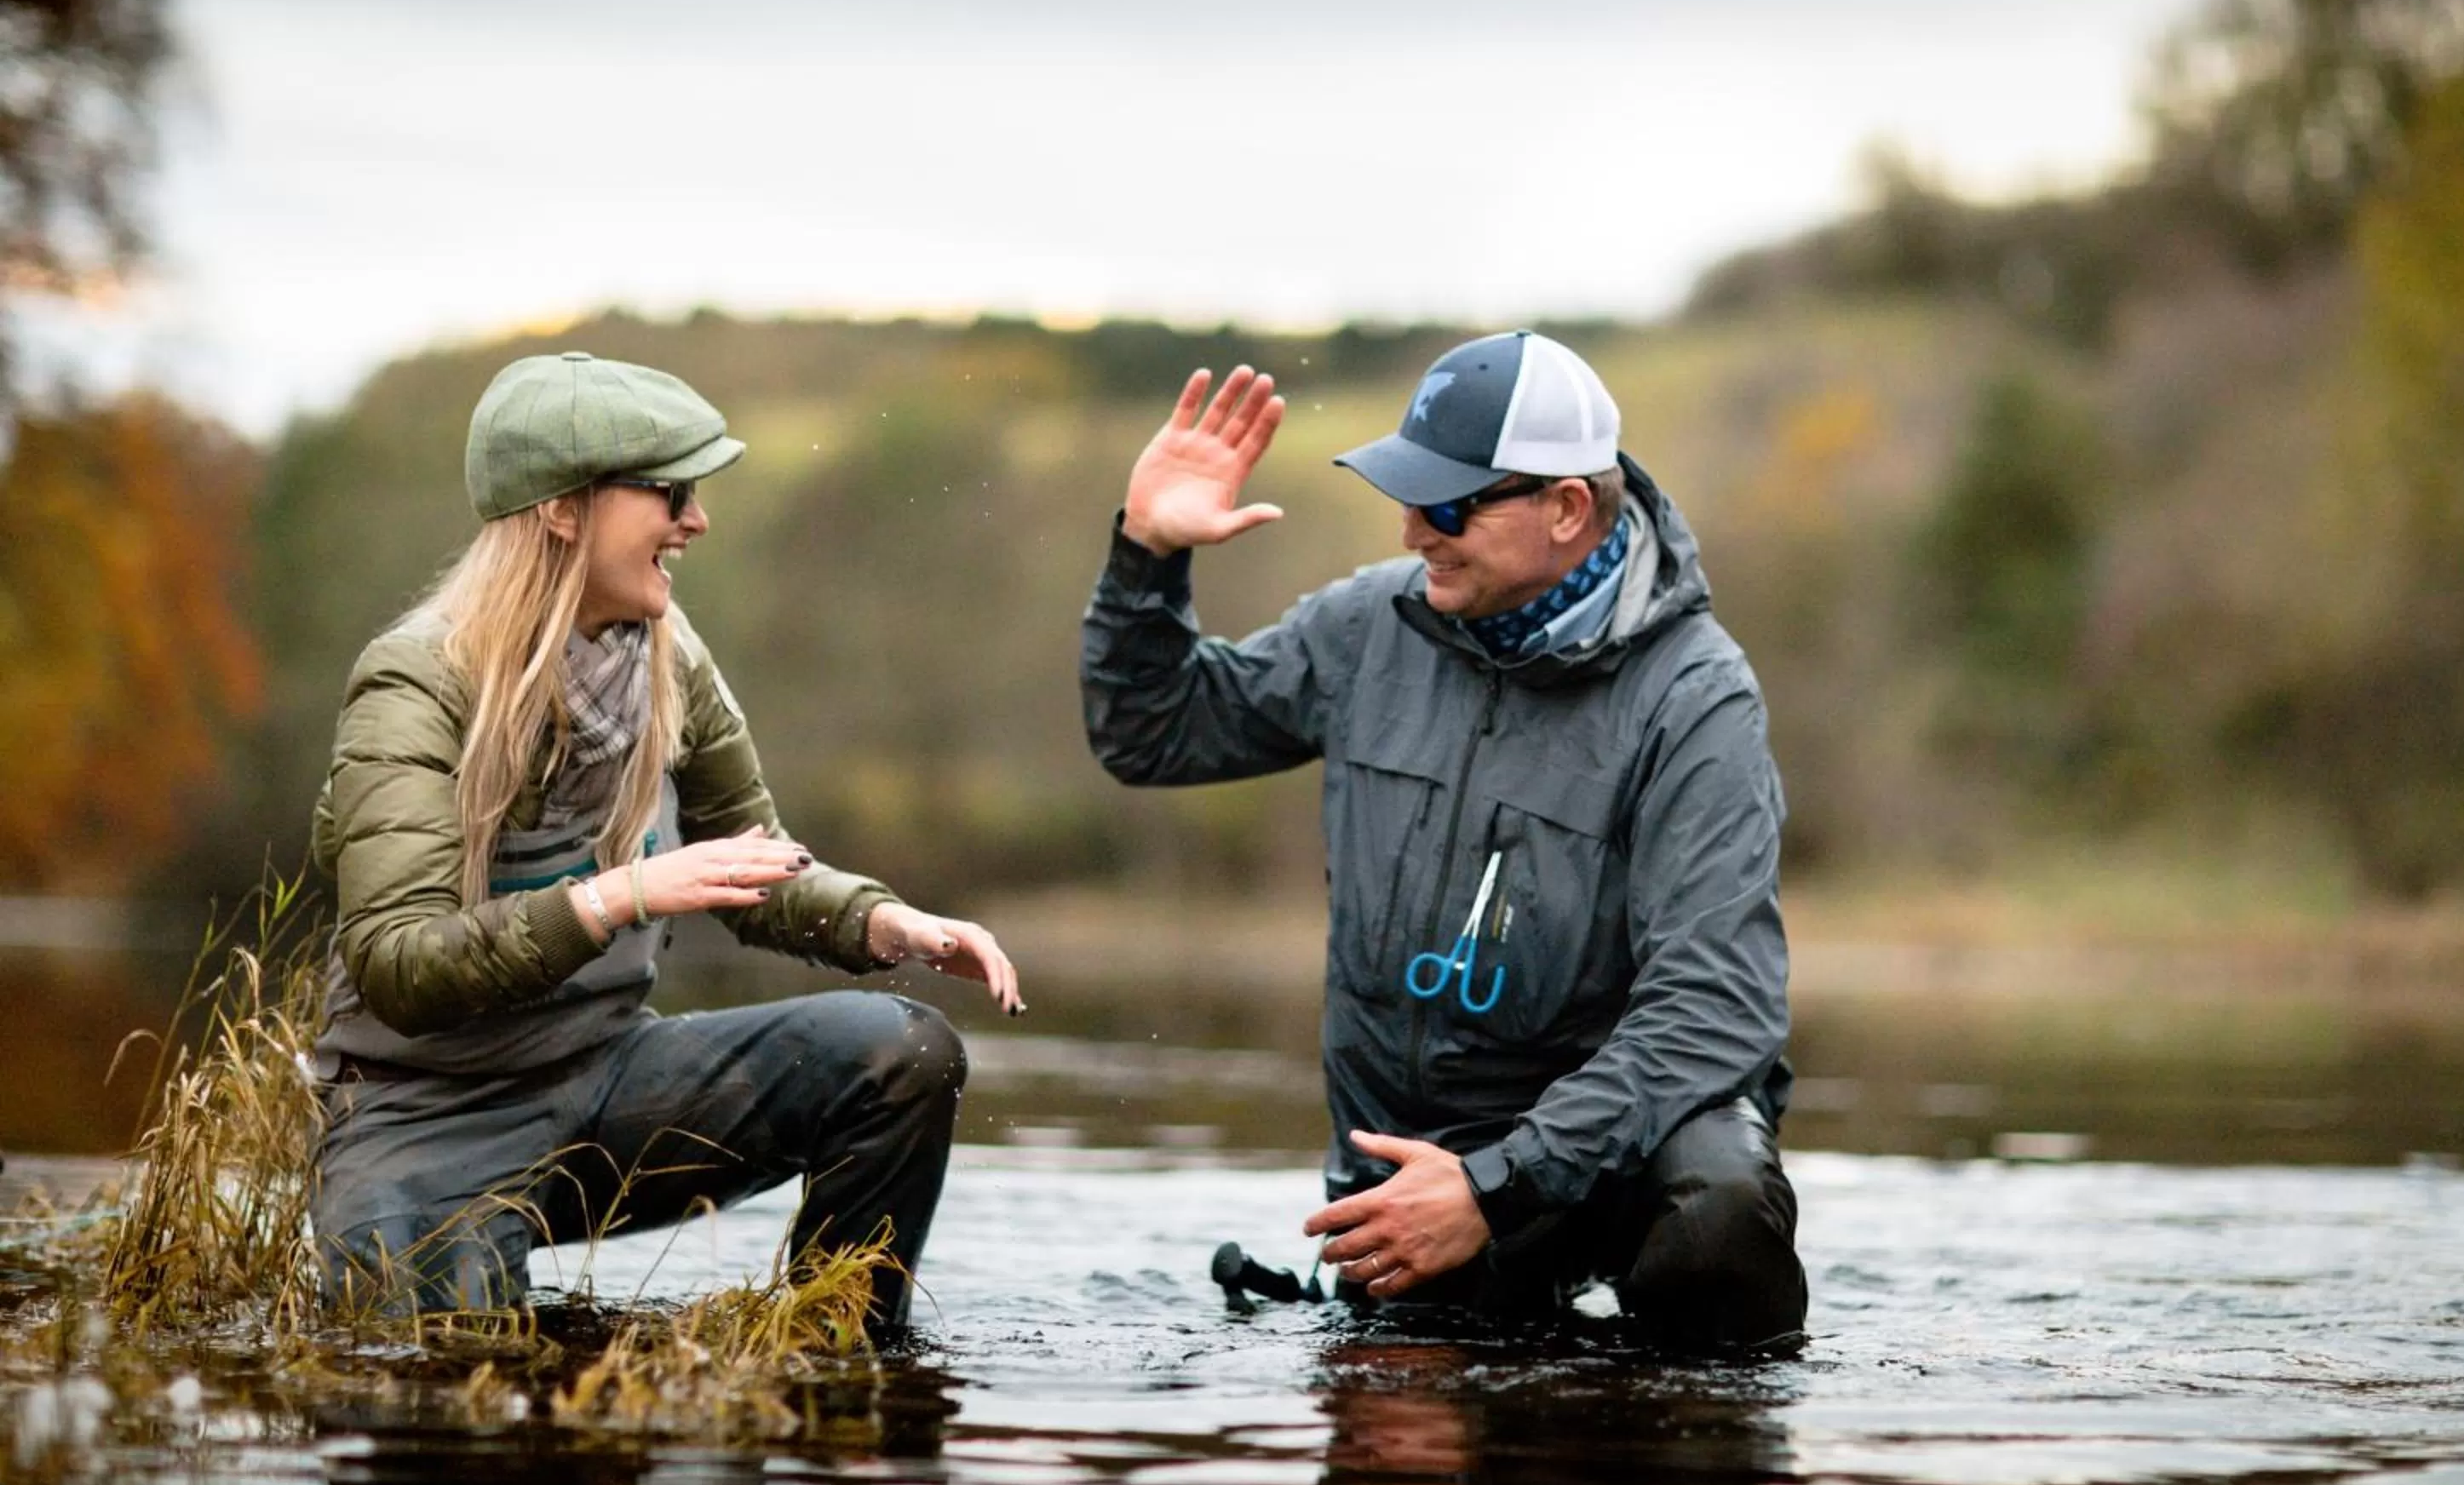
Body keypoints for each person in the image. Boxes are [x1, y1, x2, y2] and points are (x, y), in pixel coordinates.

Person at [1081, 331, 1806, 1349]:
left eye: (1454, 502)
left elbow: (1716, 1010)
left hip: (1604, 1164)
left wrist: (1500, 1183)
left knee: (1720, 1205)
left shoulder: (1695, 698)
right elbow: (1151, 734)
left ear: (1567, 507)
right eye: (1408, 492)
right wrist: (1150, 557)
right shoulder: (1368, 626)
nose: (1417, 527)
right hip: (1408, 1176)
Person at [308, 350, 1021, 1329]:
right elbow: (400, 966)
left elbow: (747, 859)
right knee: (444, 1388)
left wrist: (885, 921)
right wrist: (623, 893)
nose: (697, 520)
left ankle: (835, 1358)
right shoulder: (412, 683)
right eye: (671, 490)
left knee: (904, 1052)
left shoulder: (671, 656)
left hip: (606, 1082)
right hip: (423, 1117)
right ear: (564, 508)